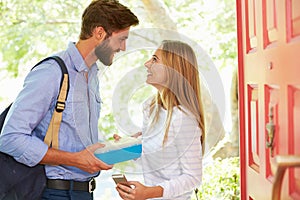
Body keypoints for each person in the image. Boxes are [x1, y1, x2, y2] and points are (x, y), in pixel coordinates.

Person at [0, 0, 139, 199]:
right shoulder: (52, 72)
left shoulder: (91, 77)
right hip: (53, 192)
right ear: (99, 33)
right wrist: (75, 160)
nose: (123, 48)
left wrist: (117, 147)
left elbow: (73, 138)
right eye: (121, 39)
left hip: (84, 191)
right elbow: (10, 138)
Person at [115, 40, 205, 200]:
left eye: (155, 59)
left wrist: (149, 192)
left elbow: (193, 177)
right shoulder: (150, 108)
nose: (147, 63)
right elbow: (153, 159)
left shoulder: (183, 119)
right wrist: (127, 147)